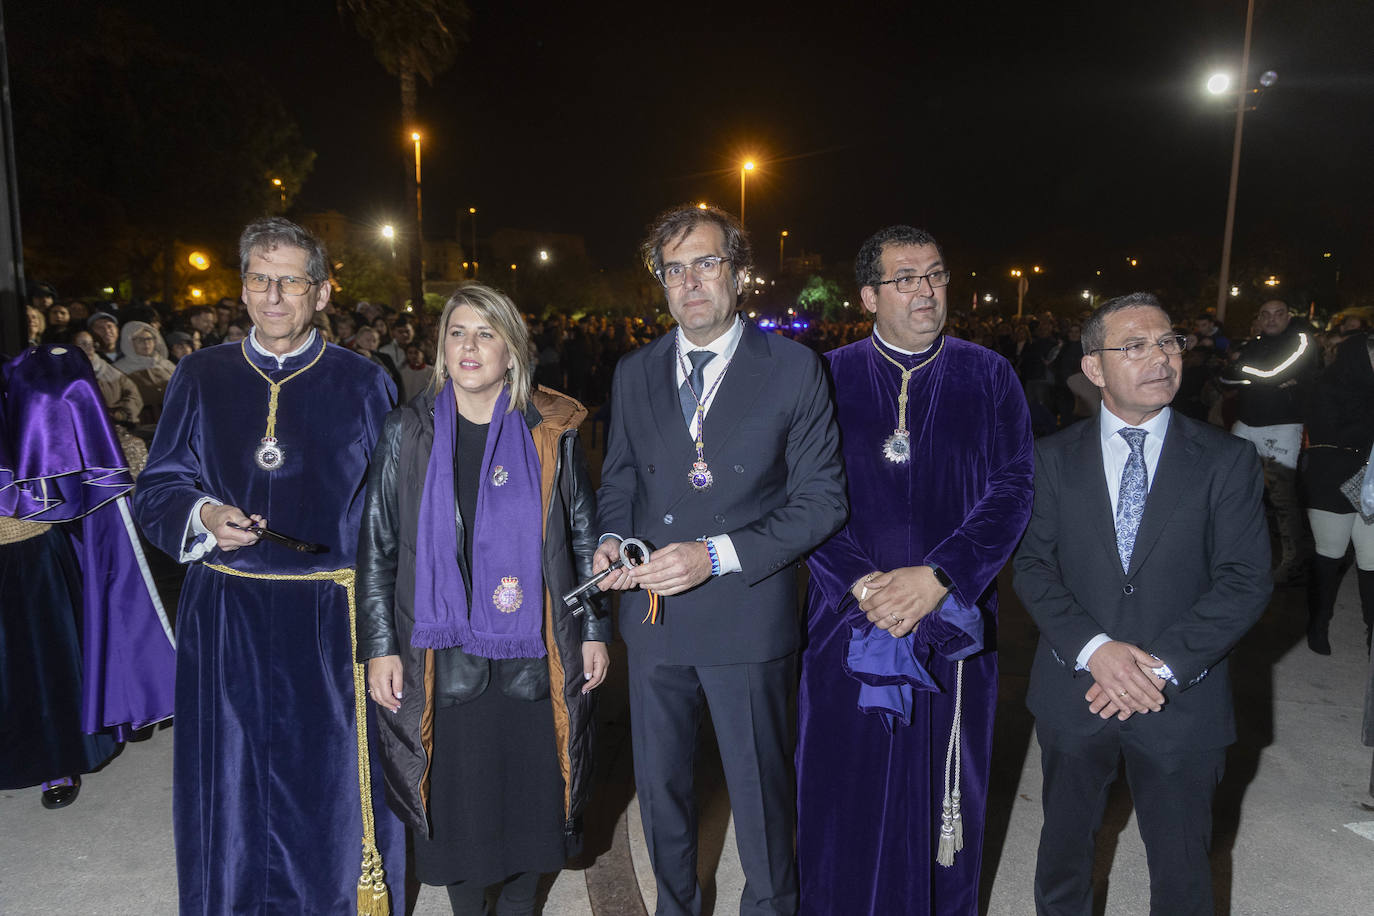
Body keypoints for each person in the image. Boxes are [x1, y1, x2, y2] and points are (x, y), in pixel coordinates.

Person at [132, 217, 403, 913]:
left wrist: (387, 634)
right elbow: (159, 486)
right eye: (259, 278)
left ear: (321, 293)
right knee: (232, 782)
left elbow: (392, 515)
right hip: (229, 611)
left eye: (290, 280)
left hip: (330, 615)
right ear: (243, 288)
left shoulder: (364, 382)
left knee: (328, 787)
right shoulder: (200, 374)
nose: (273, 295)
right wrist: (202, 516)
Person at [594, 204, 847, 916]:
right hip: (653, 616)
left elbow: (823, 502)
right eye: (675, 268)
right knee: (662, 791)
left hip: (745, 616)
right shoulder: (635, 370)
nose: (691, 281)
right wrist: (613, 540)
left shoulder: (794, 369)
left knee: (761, 795)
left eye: (707, 263)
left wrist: (716, 554)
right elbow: (616, 483)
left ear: (738, 274)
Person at [797, 226, 1034, 915]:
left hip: (952, 618)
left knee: (943, 789)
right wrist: (866, 584)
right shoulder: (826, 376)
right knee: (845, 782)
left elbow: (1014, 487)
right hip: (848, 616)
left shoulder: (989, 375)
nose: (926, 289)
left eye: (935, 274)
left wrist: (940, 577)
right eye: (906, 278)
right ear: (869, 294)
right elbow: (801, 497)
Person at [1013, 292, 1272, 916]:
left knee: (1184, 869)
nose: (1159, 357)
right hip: (1078, 691)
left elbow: (1245, 579)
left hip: (1181, 697)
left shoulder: (1227, 459)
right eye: (1134, 346)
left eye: (1168, 342)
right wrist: (1097, 651)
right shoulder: (1048, 459)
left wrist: (1155, 668)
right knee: (1063, 857)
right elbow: (1032, 565)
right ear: (1094, 367)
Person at [358, 284, 610, 915]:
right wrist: (380, 647)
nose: (469, 346)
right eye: (457, 332)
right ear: (441, 347)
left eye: (486, 333)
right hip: (442, 656)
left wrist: (597, 626)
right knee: (458, 815)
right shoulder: (406, 431)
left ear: (513, 350)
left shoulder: (551, 430)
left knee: (535, 805)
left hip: (539, 650)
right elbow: (379, 546)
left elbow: (582, 533)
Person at [1222, 298, 1319, 583]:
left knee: (1281, 496)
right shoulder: (1254, 344)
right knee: (1234, 490)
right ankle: (1234, 553)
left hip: (1281, 427)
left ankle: (1292, 560)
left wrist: (1244, 369)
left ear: (1288, 316)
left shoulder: (1300, 341)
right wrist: (1254, 374)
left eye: (1278, 314)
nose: (1271, 319)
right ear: (1259, 319)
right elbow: (1226, 380)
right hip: (1246, 423)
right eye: (1265, 315)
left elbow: (1273, 373)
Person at [1300, 331, 1374, 653]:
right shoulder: (1326, 386)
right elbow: (1330, 432)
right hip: (1331, 481)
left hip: (1370, 484)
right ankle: (1318, 624)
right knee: (1330, 555)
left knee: (1372, 560)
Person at [113, 320, 175, 423]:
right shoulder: (118, 369)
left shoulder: (166, 365)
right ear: (129, 342)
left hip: (174, 419)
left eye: (149, 339)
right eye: (140, 340)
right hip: (142, 424)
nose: (146, 343)